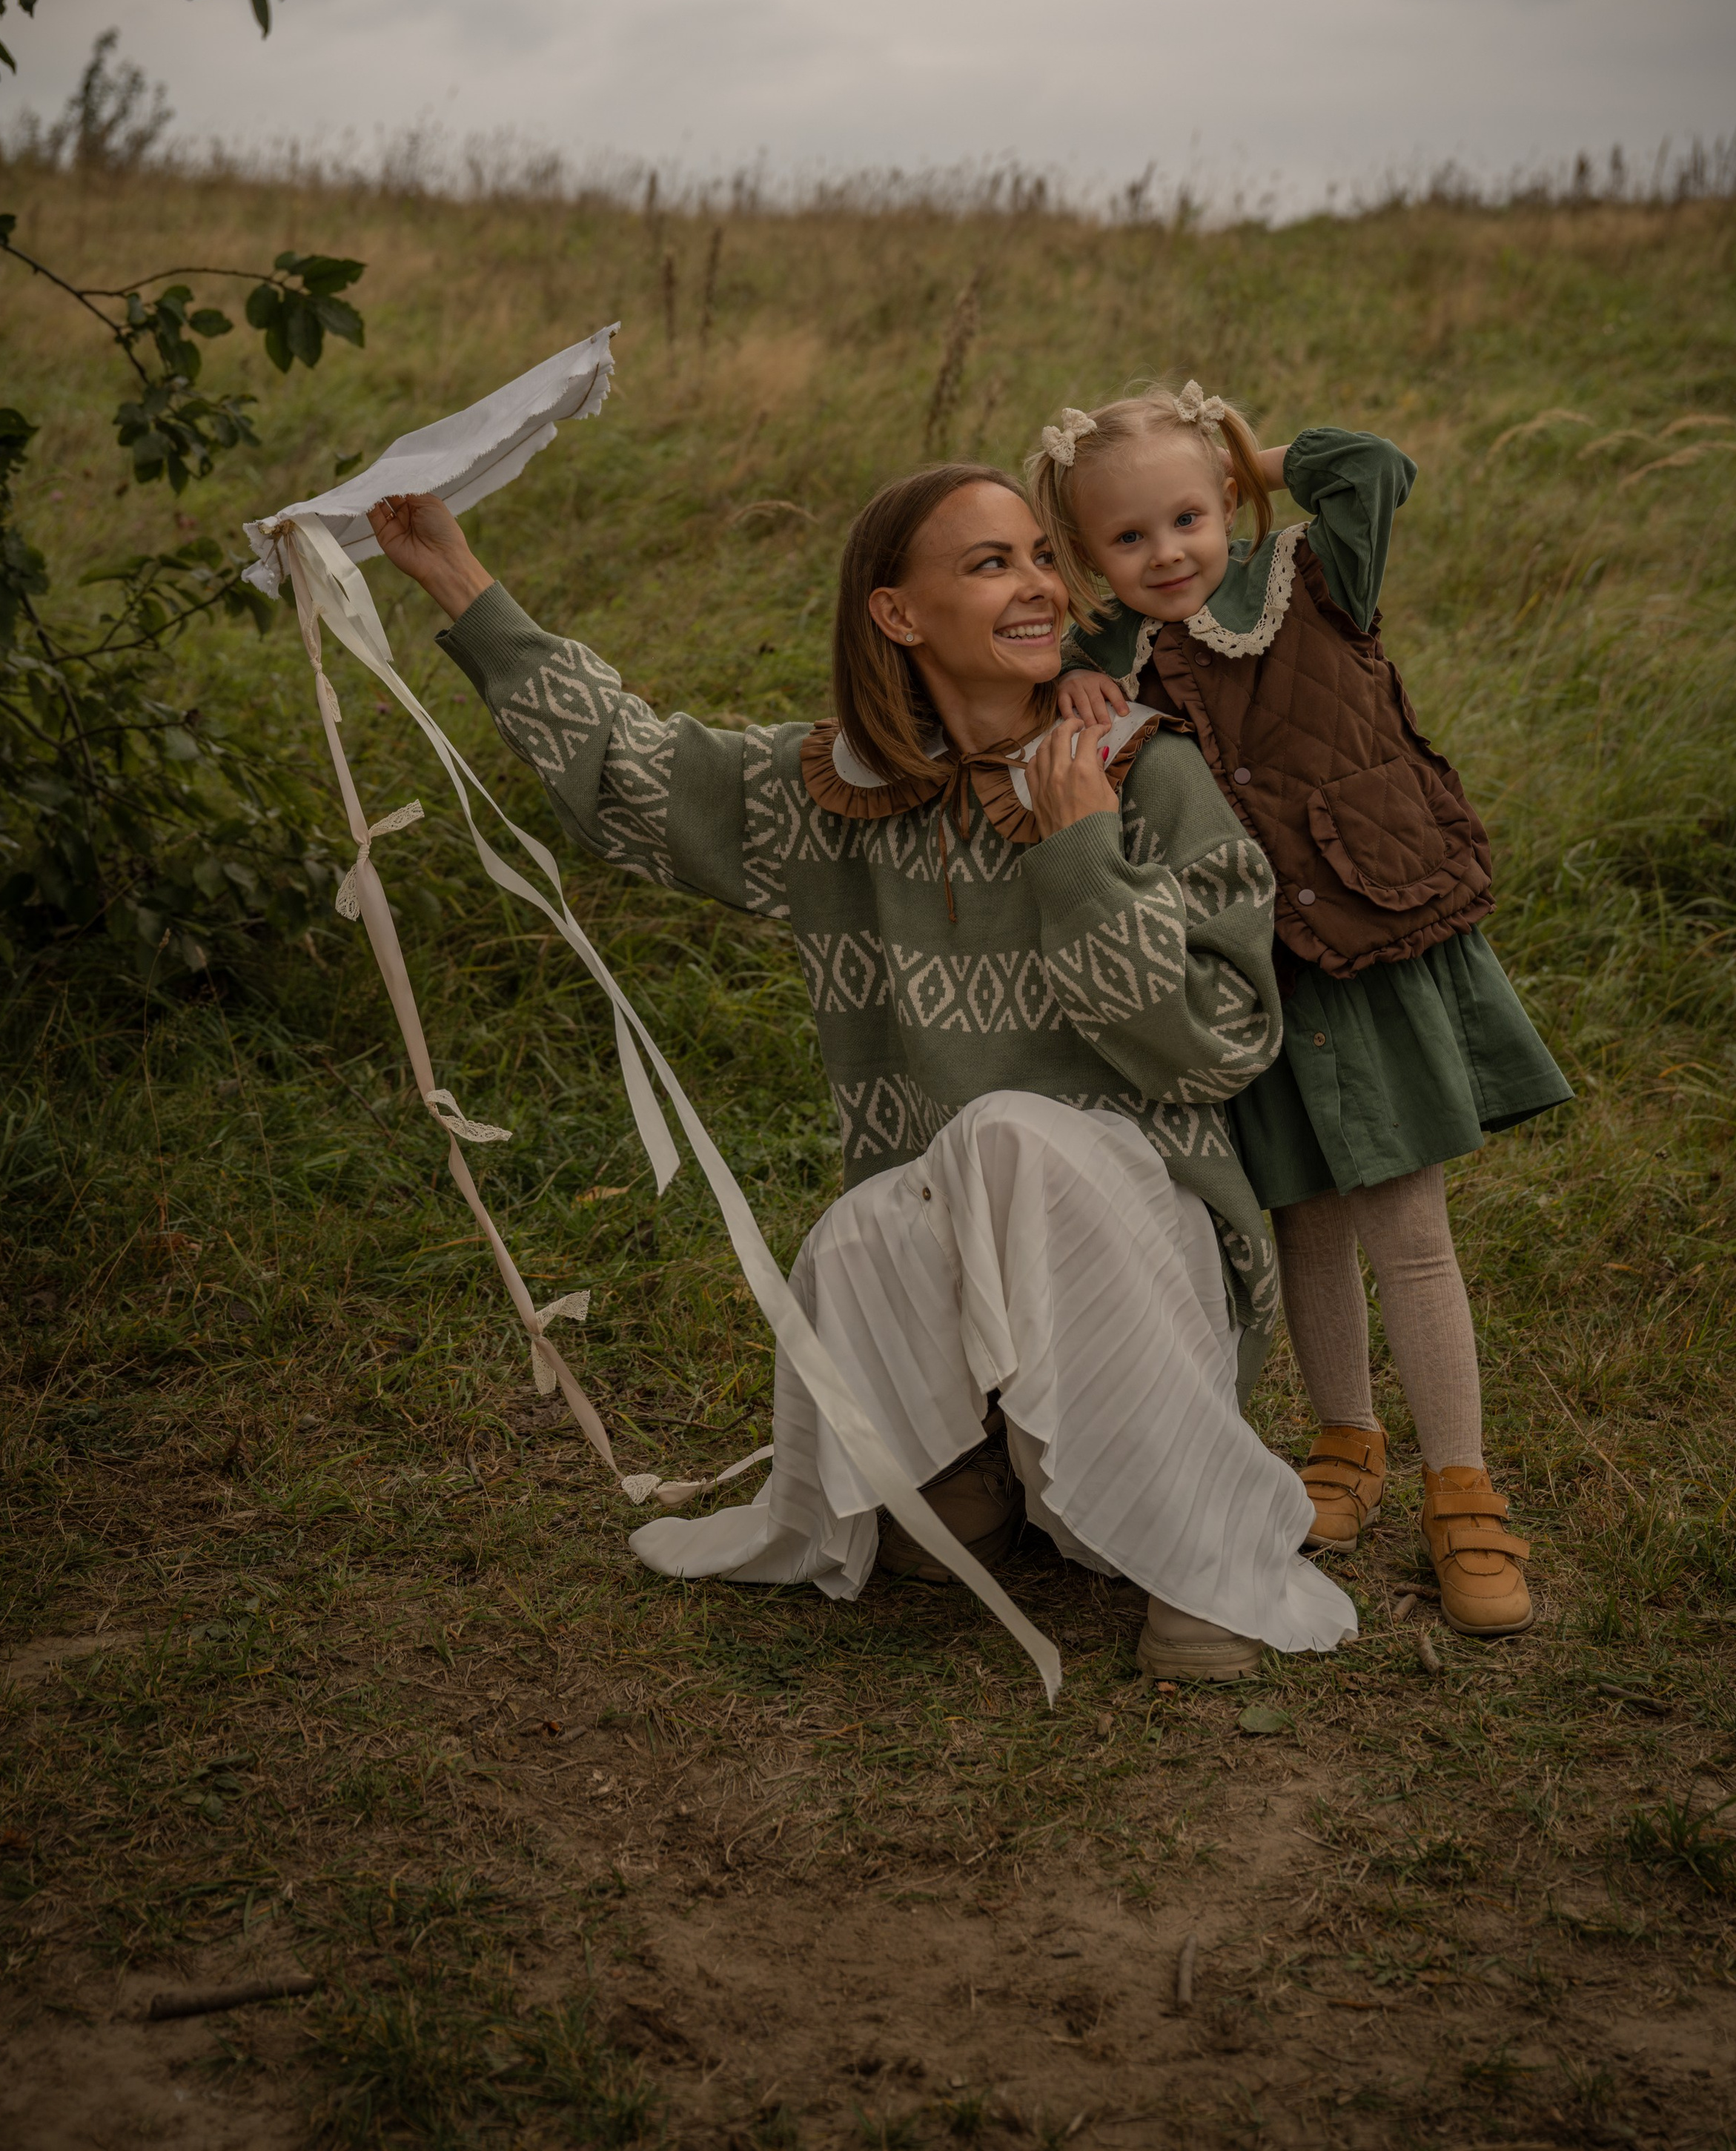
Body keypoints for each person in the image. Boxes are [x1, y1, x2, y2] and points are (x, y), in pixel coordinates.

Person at [368, 465, 1355, 1683]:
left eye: (1042, 556)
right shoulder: (835, 794)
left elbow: (1218, 1043)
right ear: (897, 614)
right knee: (852, 1231)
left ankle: (1195, 1549)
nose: (1042, 584)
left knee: (1009, 1135)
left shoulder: (1146, 774)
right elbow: (632, 775)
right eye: (991, 564)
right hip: (950, 1240)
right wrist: (457, 581)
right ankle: (967, 1474)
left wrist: (1081, 854)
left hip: (1147, 1258)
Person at [1030, 388, 1571, 1637]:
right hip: (1253, 980)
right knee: (1304, 1221)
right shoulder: (1110, 659)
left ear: (1228, 504)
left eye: (1188, 516)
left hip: (1369, 950)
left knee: (1407, 1227)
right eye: (1128, 539)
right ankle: (1345, 1442)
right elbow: (1067, 695)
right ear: (1087, 558)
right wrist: (1069, 674)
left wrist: (1246, 456)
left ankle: (1463, 1487)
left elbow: (1376, 464)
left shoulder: (1314, 573)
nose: (1167, 553)